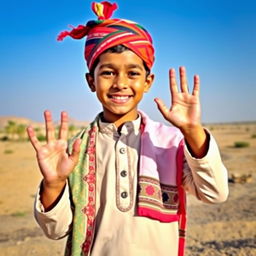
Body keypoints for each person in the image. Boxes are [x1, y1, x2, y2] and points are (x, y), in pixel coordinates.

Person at [27, 2, 229, 256]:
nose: (120, 83)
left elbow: (215, 193)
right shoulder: (75, 152)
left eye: (133, 73)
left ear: (148, 82)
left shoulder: (170, 142)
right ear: (91, 81)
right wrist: (53, 184)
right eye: (108, 73)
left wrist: (192, 132)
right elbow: (56, 230)